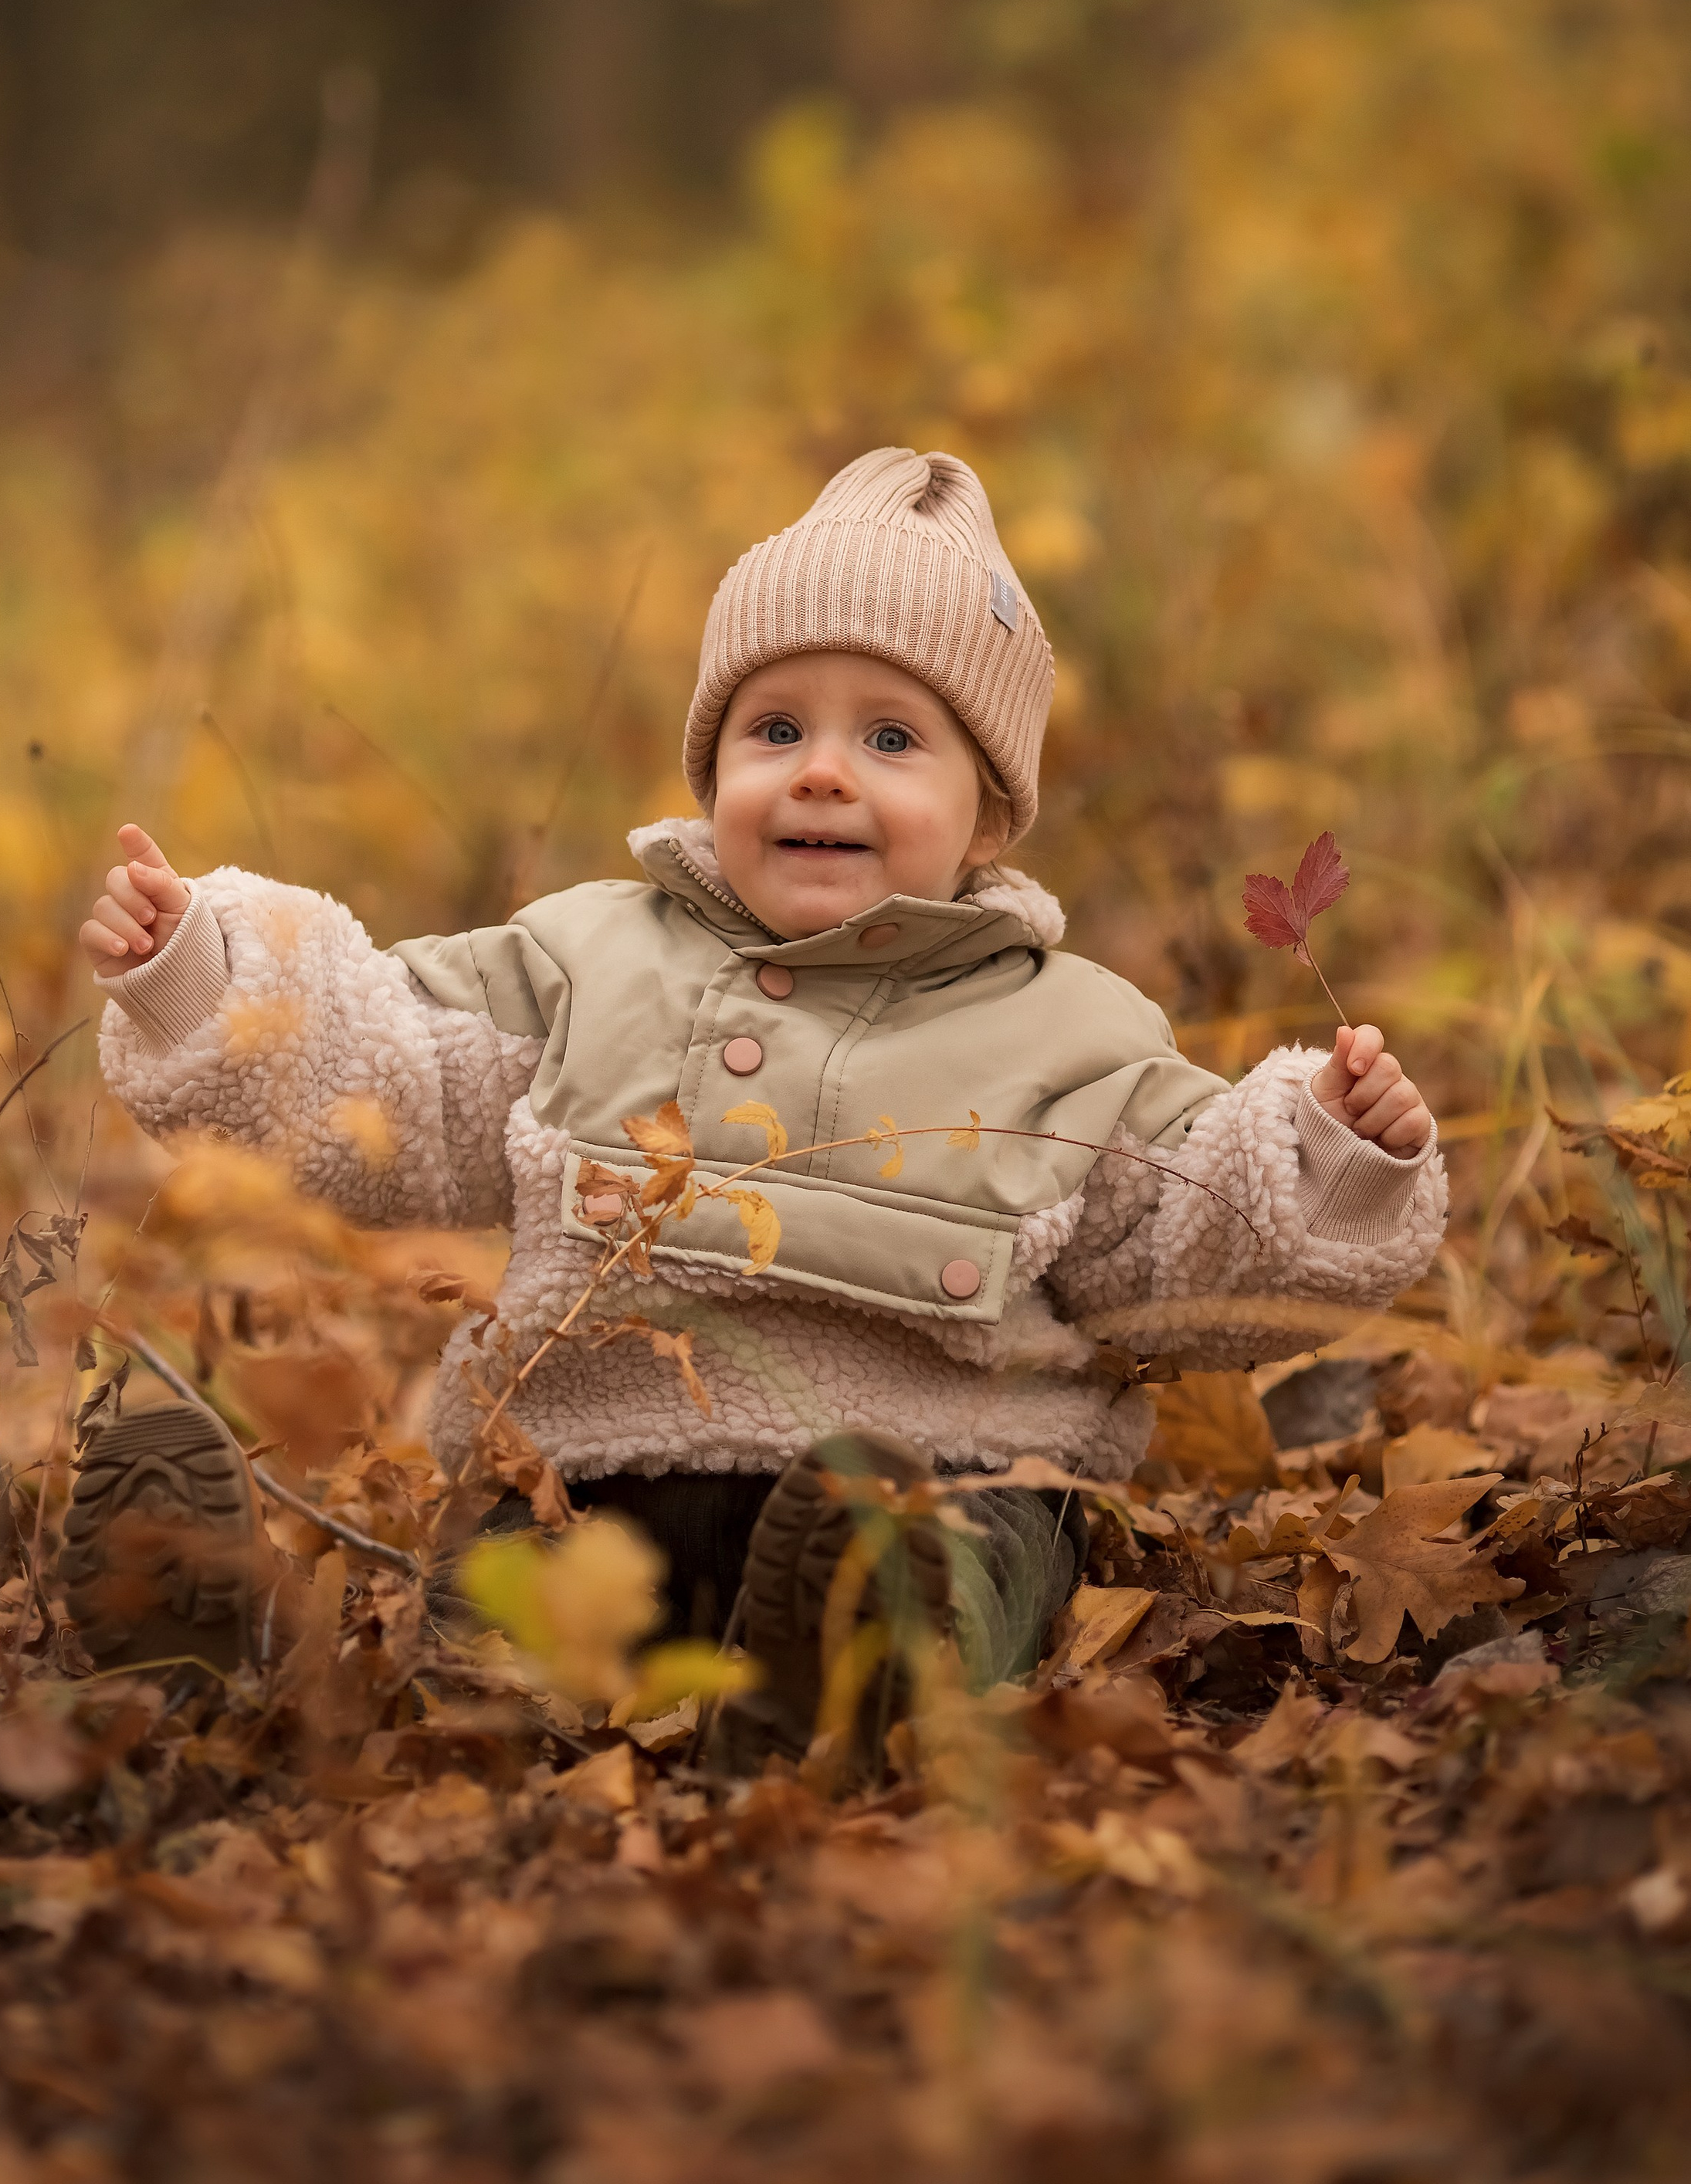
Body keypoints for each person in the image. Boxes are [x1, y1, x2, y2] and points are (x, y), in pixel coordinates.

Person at [71, 448, 1445, 1750]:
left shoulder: (1072, 1034)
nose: (822, 770)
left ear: (988, 815)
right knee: (493, 1632)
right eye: (775, 727)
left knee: (935, 1583)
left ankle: (836, 1697)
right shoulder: (588, 960)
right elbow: (388, 1083)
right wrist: (205, 976)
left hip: (937, 1479)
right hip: (596, 1477)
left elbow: (1175, 1260)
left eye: (892, 737)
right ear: (715, 767)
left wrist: (1332, 1160)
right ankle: (220, 1677)